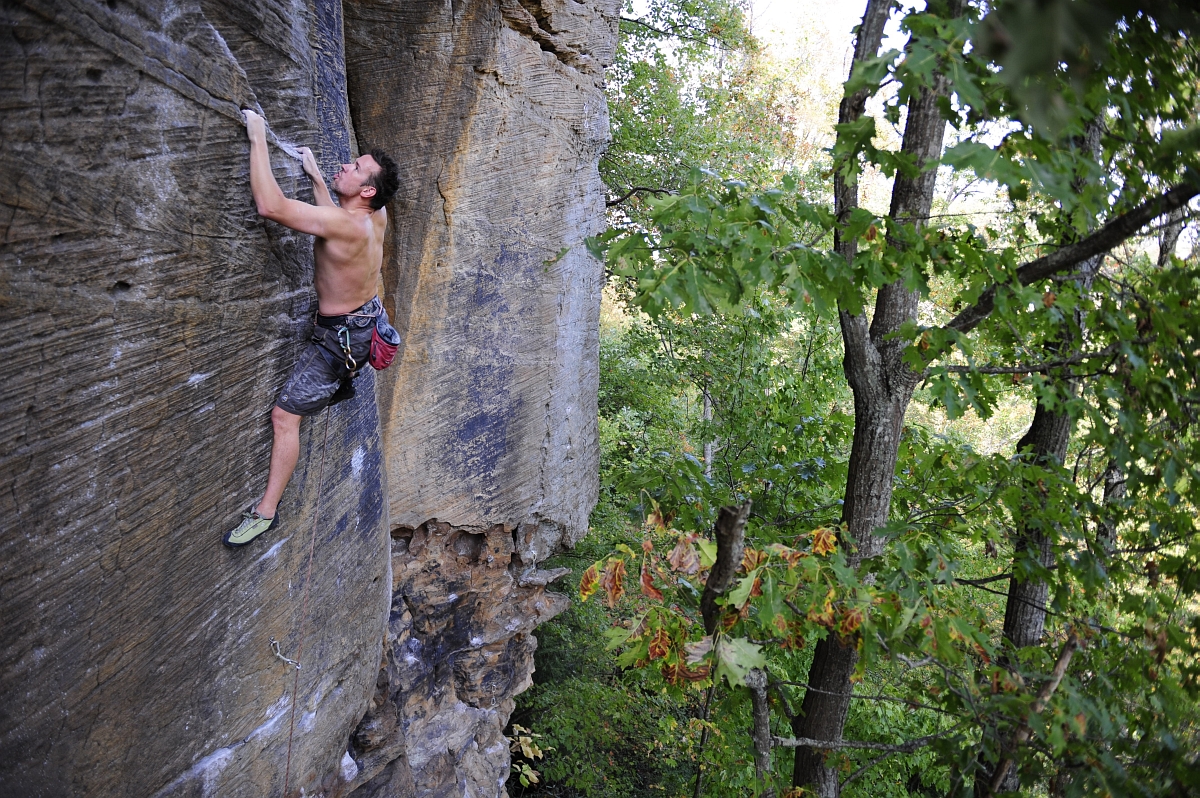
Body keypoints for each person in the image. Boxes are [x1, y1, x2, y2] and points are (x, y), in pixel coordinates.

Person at [224, 109, 400, 547]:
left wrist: (258, 138)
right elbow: (338, 217)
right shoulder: (373, 216)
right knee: (298, 405)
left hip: (341, 338)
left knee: (285, 417)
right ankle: (335, 381)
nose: (347, 164)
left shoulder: (346, 223)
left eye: (355, 167)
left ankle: (266, 512)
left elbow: (271, 206)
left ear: (367, 190)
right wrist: (320, 178)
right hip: (363, 321)